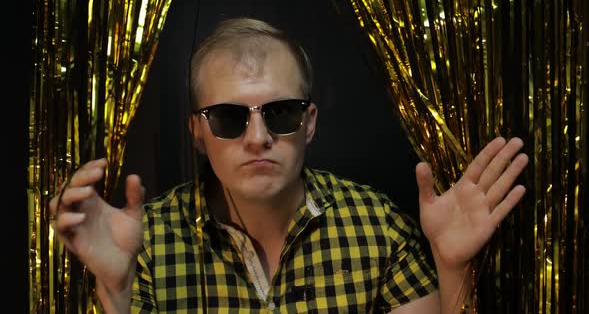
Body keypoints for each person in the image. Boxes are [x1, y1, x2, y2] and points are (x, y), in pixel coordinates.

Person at [49, 18, 529, 313]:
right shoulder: (146, 243)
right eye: (228, 117)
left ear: (310, 122)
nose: (257, 138)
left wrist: (453, 265)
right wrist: (116, 292)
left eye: (280, 113)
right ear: (197, 132)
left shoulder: (377, 225)